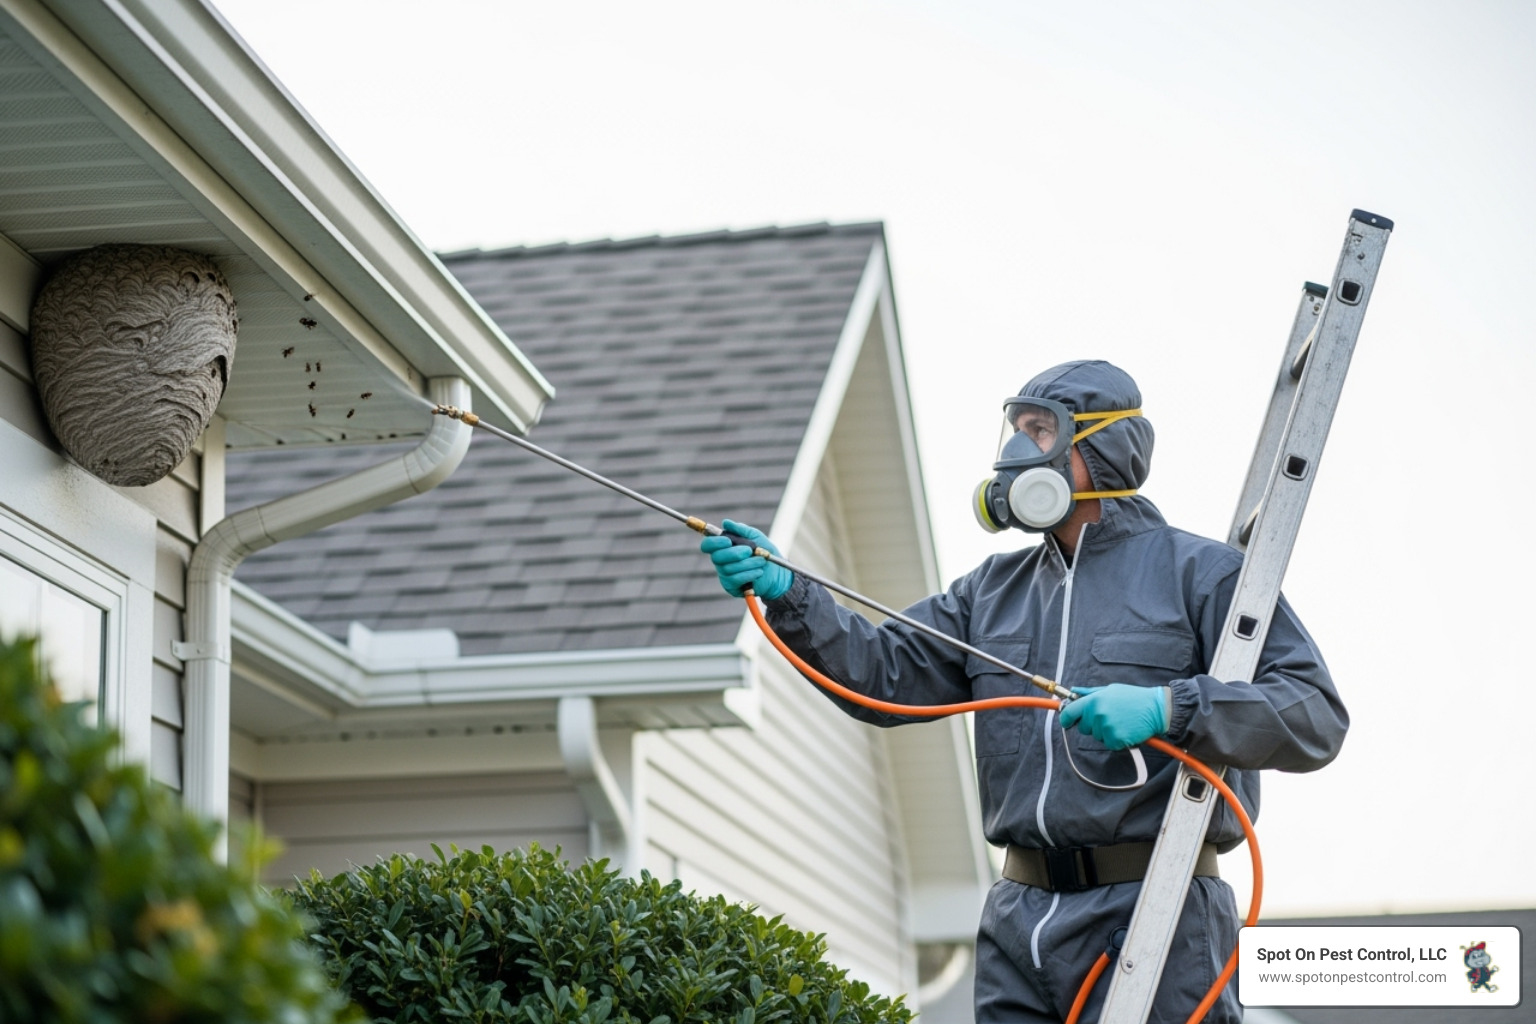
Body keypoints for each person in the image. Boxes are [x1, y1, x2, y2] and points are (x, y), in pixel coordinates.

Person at [699, 359, 1347, 1024]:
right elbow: (881, 675)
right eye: (1016, 429)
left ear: (1104, 446)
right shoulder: (991, 591)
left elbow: (1313, 713)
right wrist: (788, 591)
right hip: (1017, 919)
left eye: (1039, 431)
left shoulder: (1203, 574)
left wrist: (1170, 708)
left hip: (1155, 912)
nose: (1014, 453)